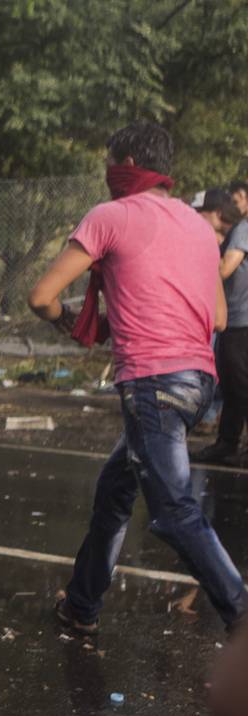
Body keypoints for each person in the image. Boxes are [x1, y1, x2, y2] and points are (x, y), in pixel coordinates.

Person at [28, 121, 246, 633]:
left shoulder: (111, 216)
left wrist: (69, 319)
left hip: (154, 385)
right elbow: (218, 318)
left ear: (124, 165)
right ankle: (81, 604)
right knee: (114, 490)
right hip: (198, 381)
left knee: (172, 511)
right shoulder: (197, 225)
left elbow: (41, 296)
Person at [195, 188, 248, 464]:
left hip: (241, 320)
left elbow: (226, 268)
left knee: (239, 383)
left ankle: (230, 443)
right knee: (230, 383)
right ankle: (226, 443)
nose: (233, 204)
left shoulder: (243, 229)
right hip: (234, 318)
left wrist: (201, 258)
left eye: (237, 199)